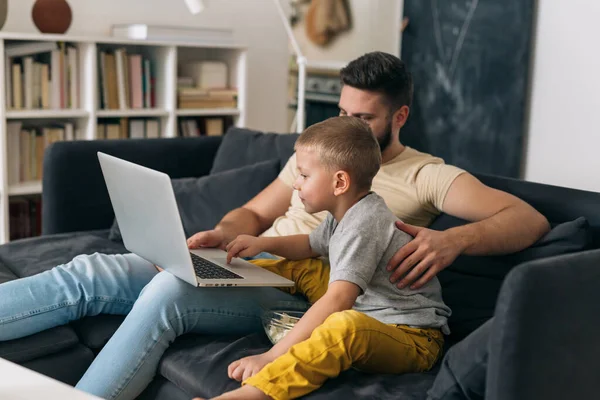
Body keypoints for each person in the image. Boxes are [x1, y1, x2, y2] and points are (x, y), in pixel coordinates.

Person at [0, 51, 549, 400]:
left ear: (399, 116)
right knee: (99, 270)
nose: (346, 126)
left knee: (168, 290)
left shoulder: (427, 176)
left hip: (298, 292)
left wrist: (452, 238)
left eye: (364, 119)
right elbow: (257, 214)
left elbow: (528, 217)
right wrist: (226, 235)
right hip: (263, 263)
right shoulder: (320, 153)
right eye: (342, 112)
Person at [200, 115, 450, 400]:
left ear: (340, 182)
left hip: (411, 337)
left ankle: (257, 393)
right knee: (306, 267)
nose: (296, 184)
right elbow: (309, 245)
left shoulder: (364, 223)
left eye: (304, 175)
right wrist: (260, 243)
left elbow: (338, 301)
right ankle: (209, 271)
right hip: (367, 304)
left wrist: (270, 356)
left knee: (344, 327)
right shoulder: (344, 214)